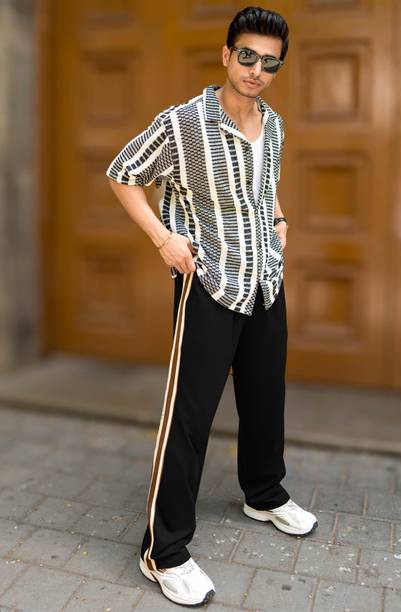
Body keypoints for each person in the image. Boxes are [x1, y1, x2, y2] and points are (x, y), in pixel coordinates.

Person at [105, 6, 318, 607]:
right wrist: (164, 240)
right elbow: (122, 173)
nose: (256, 70)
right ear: (226, 55)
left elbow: (265, 185)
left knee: (265, 395)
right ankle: (164, 551)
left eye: (269, 63)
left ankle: (264, 493)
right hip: (208, 283)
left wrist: (279, 219)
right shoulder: (184, 123)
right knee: (190, 417)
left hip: (265, 279)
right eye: (246, 56)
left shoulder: (273, 125)